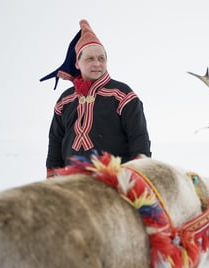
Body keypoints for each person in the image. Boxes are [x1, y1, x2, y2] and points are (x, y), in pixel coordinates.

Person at [40, 20, 151, 178]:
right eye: (90, 59)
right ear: (77, 63)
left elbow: (139, 138)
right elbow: (55, 142)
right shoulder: (65, 100)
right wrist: (52, 177)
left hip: (115, 180)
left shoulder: (122, 94)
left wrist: (139, 176)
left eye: (101, 58)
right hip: (71, 181)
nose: (97, 64)